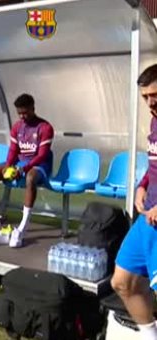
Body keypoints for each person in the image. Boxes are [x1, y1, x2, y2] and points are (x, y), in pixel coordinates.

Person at [112, 63, 157, 340]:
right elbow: (154, 166)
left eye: (156, 95)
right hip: (147, 218)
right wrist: (142, 187)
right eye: (146, 97)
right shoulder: (155, 120)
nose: (150, 102)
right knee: (123, 283)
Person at [0, 93, 54, 248]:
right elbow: (13, 151)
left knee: (30, 178)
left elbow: (42, 155)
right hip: (21, 163)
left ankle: (22, 227)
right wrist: (8, 166)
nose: (22, 116)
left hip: (39, 165)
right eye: (19, 113)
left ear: (33, 108)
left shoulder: (45, 127)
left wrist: (23, 169)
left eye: (25, 112)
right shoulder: (17, 127)